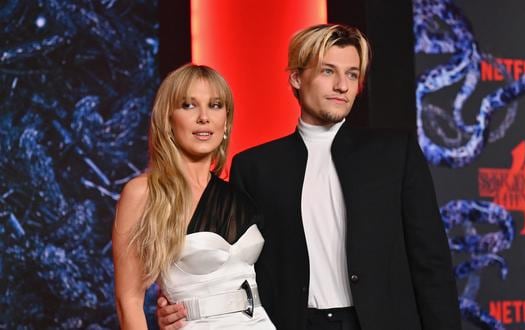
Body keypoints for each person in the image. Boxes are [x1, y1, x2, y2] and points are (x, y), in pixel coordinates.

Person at [158, 24, 462, 330]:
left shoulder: (395, 154)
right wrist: (183, 308)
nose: (343, 85)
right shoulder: (255, 167)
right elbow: (232, 269)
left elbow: (431, 263)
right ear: (296, 77)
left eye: (353, 74)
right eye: (328, 71)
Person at [112, 64, 275, 329]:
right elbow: (128, 300)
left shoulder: (240, 193)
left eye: (215, 105)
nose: (204, 117)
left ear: (226, 120)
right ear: (168, 120)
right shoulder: (143, 193)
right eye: (188, 105)